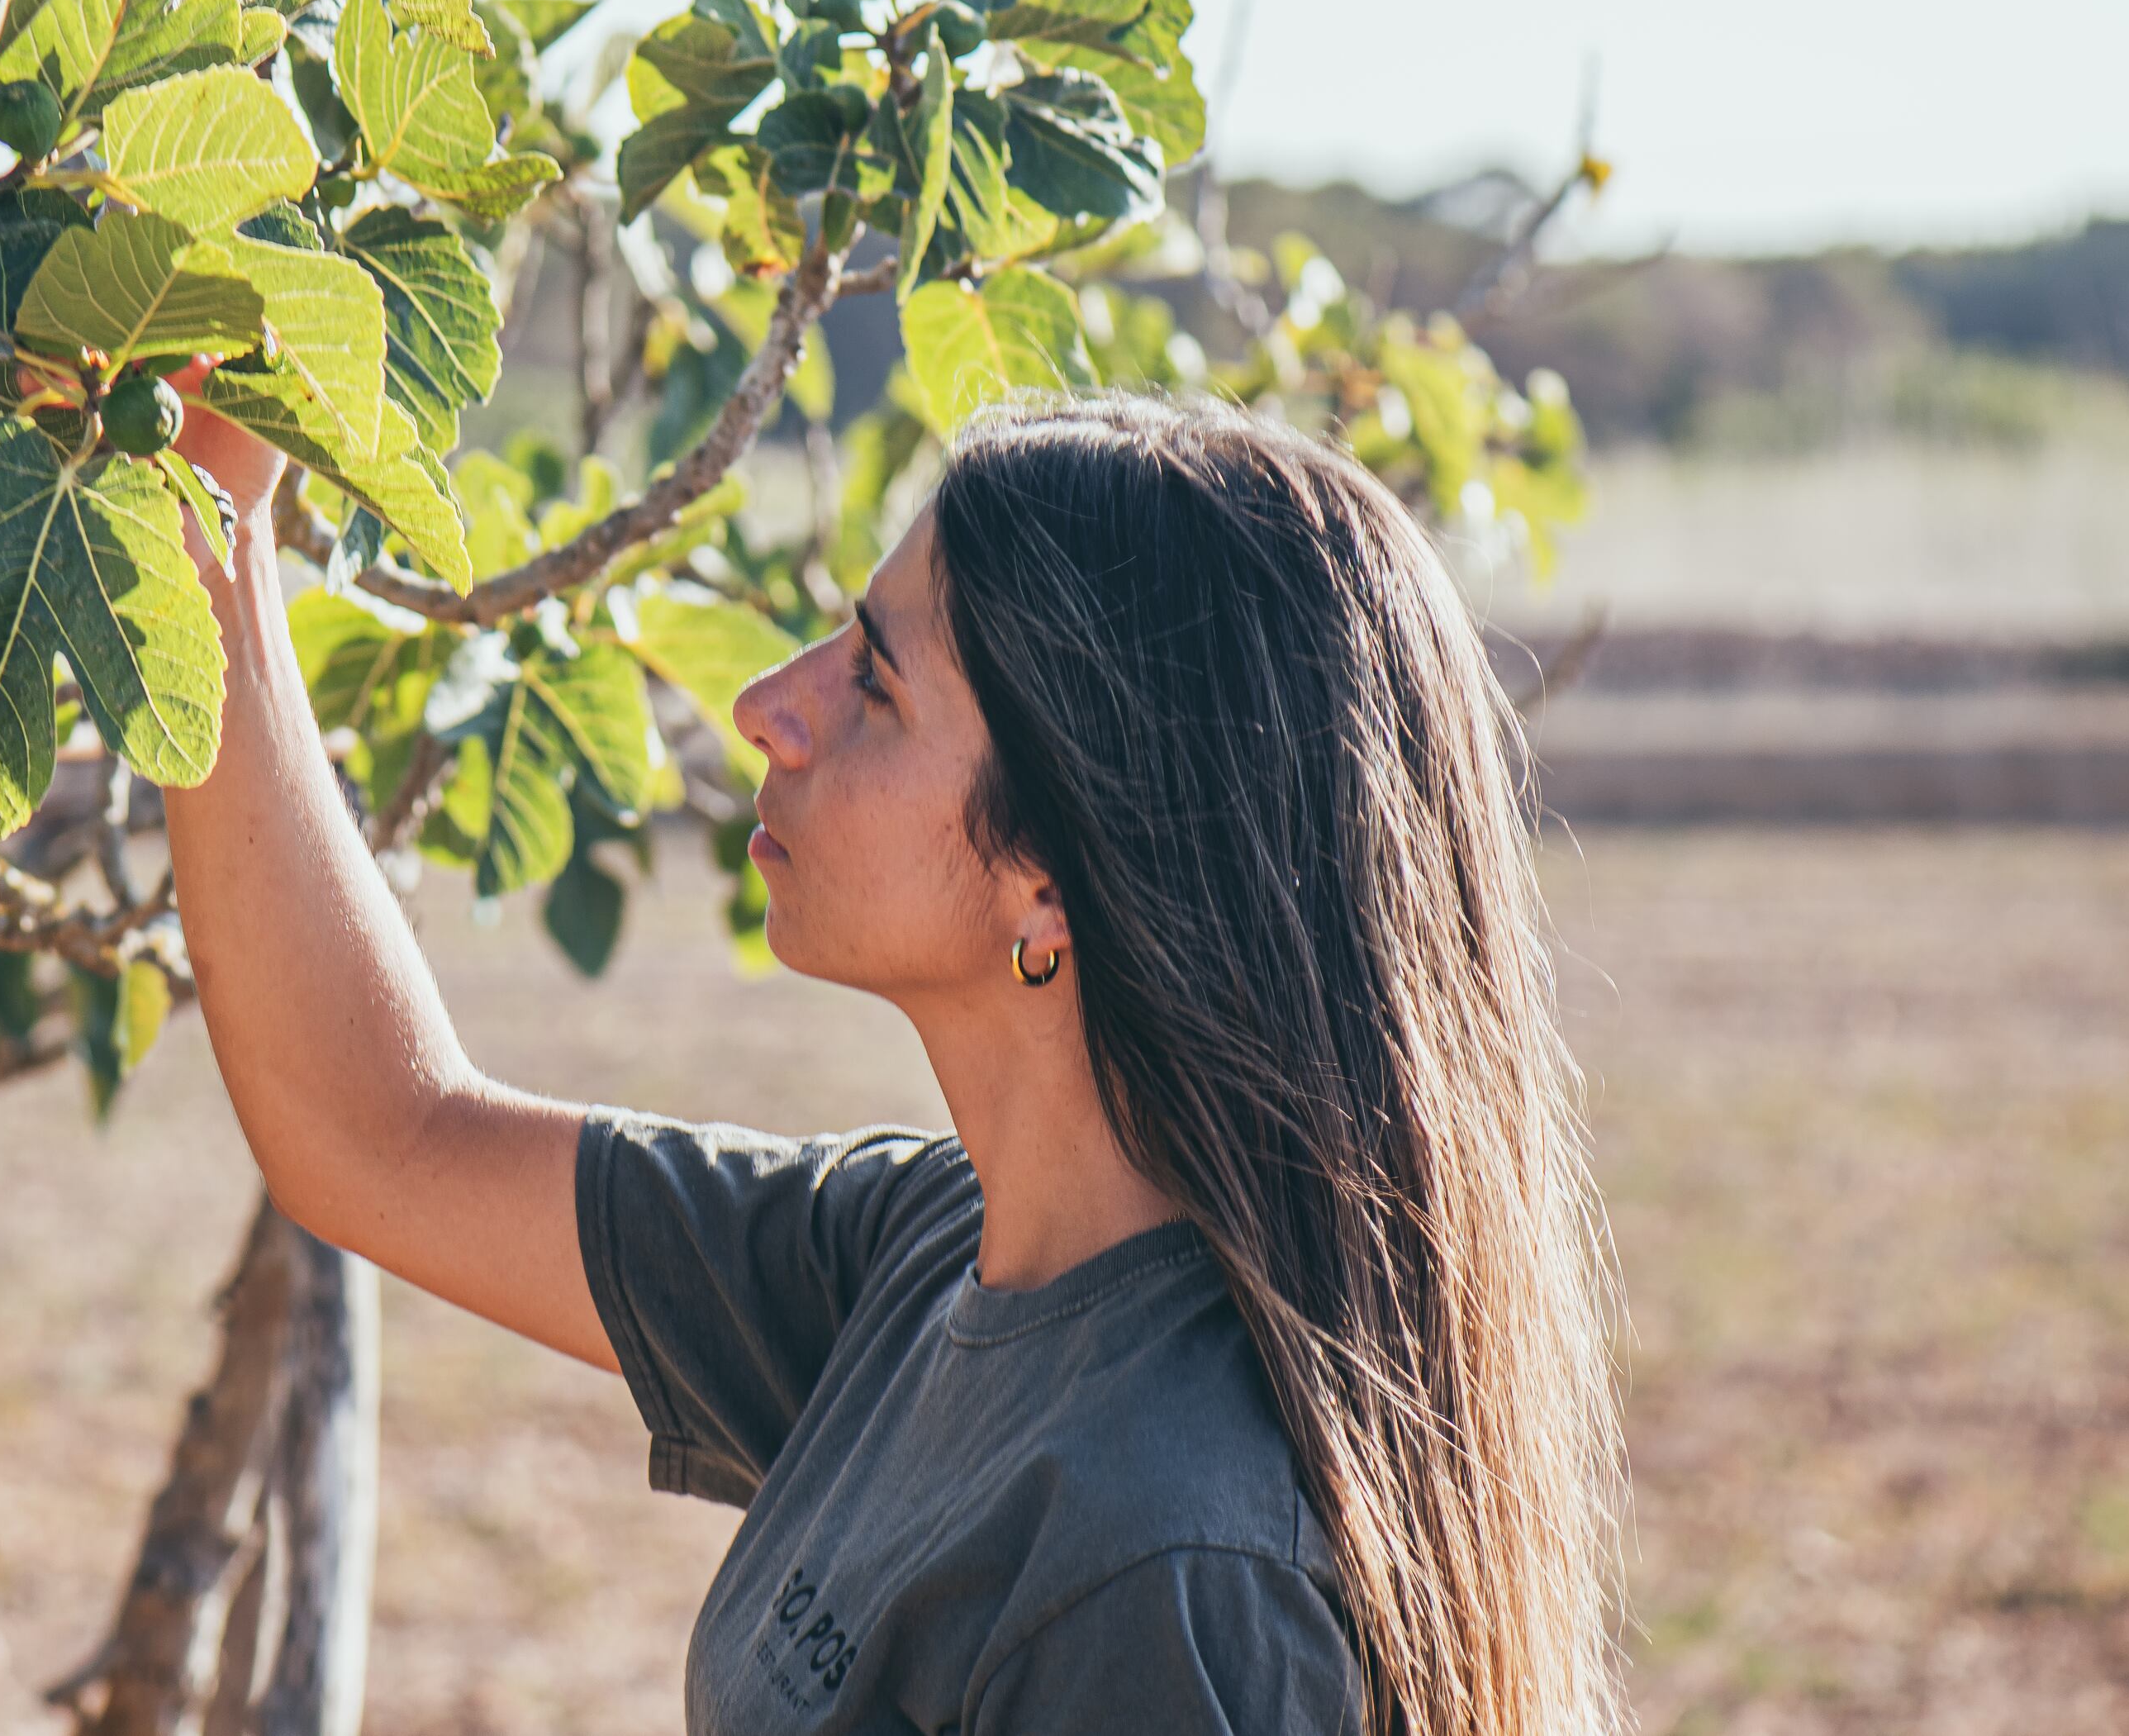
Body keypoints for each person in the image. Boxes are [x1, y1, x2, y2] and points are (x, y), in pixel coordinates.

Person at [162, 385, 1625, 1736]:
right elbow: (382, 1132)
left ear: (1050, 877)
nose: (767, 708)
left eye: (873, 682)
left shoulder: (1166, 1572)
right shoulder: (935, 1259)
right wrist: (206, 508)